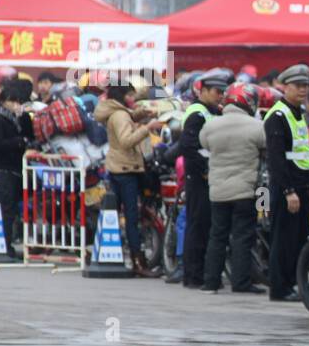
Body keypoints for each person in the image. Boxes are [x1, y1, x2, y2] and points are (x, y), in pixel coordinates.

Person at [200, 83, 266, 295]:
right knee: (242, 237)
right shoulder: (257, 126)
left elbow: (205, 144)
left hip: (217, 191)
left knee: (217, 236)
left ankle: (210, 282)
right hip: (244, 191)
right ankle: (241, 282)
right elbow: (266, 148)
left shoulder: (211, 125)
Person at [95, 79, 165, 277]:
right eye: (131, 95)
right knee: (132, 218)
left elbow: (126, 118)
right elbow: (126, 140)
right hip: (126, 170)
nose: (133, 99)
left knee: (117, 215)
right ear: (122, 96)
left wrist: (141, 115)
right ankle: (138, 262)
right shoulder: (119, 115)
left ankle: (126, 257)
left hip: (118, 167)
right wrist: (147, 128)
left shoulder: (116, 112)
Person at [264, 64, 309, 302]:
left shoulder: (298, 113)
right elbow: (276, 160)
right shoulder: (278, 115)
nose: (303, 90)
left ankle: (295, 283)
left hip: (301, 186)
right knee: (283, 239)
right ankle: (280, 288)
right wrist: (288, 191)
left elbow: (303, 154)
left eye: (306, 86)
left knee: (299, 238)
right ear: (285, 87)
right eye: (298, 86)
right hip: (286, 188)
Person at [179, 68, 228, 289]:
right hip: (199, 177)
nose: (220, 96)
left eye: (222, 92)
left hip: (210, 175)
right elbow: (188, 147)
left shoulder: (213, 112)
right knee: (197, 225)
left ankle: (199, 272)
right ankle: (193, 275)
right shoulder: (197, 113)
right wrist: (204, 169)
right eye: (217, 91)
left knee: (206, 225)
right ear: (204, 91)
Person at [0, 80, 34, 258]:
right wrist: (19, 142)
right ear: (3, 101)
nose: (16, 105)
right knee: (6, 209)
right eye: (13, 101)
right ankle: (4, 247)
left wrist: (23, 118)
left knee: (13, 209)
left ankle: (9, 244)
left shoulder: (22, 118)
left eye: (19, 102)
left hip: (19, 169)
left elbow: (30, 135)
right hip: (3, 169)